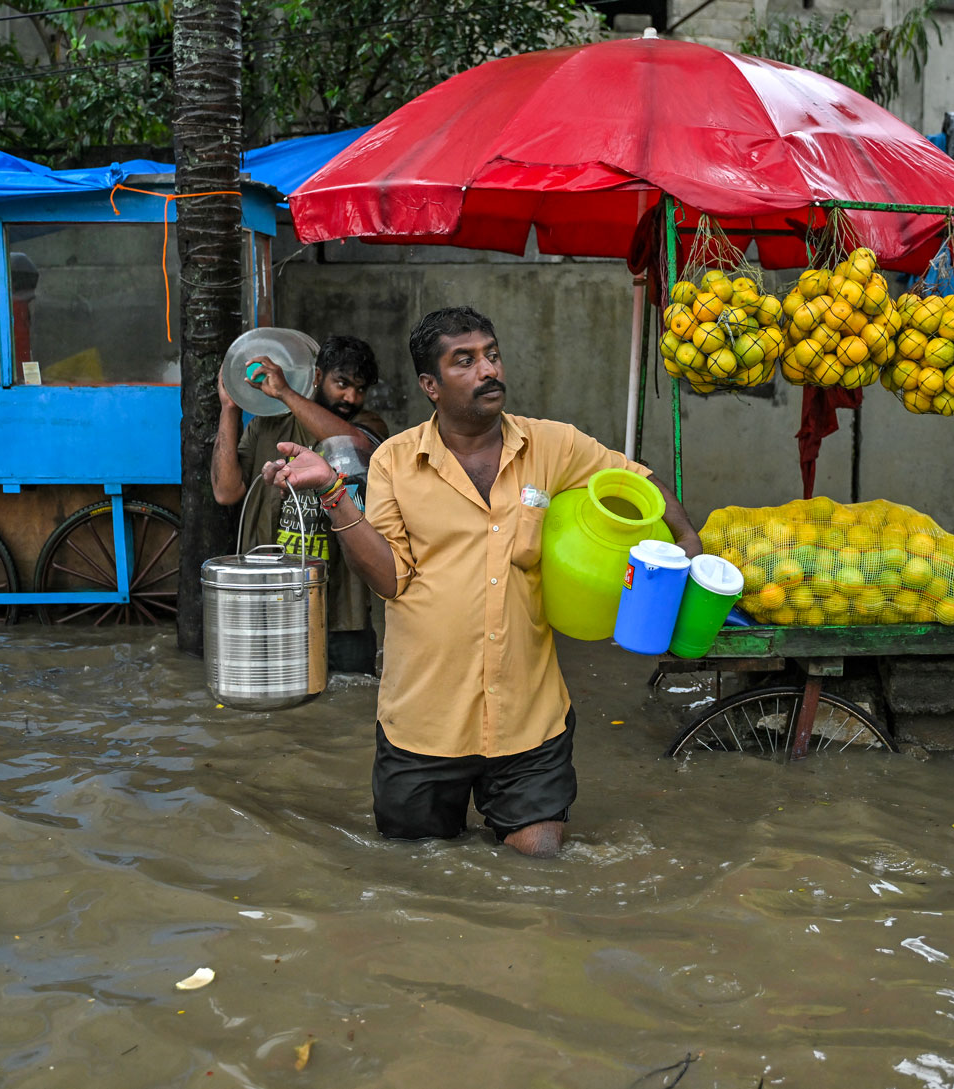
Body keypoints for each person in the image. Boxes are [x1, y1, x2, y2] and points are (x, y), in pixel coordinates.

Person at [265, 306, 700, 857]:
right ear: (431, 386)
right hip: (423, 721)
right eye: (464, 361)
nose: (487, 370)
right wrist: (333, 494)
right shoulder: (394, 462)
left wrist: (688, 540)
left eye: (491, 355)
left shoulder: (553, 446)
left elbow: (636, 482)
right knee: (419, 871)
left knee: (537, 863)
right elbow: (390, 579)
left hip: (528, 718)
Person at [212, 334, 390, 673]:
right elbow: (226, 491)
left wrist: (285, 392)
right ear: (318, 376)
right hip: (272, 599)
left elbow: (348, 443)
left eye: (360, 388)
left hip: (342, 610)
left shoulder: (366, 426)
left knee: (346, 705)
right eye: (343, 383)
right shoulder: (269, 425)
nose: (351, 397)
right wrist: (230, 408)